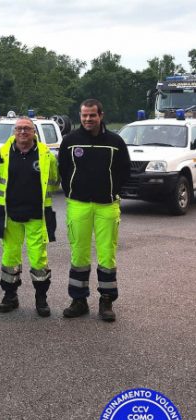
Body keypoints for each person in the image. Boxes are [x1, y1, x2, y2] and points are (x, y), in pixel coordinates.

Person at [57, 99, 130, 322]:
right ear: (80, 116)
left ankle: (106, 300)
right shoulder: (69, 141)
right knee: (79, 254)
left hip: (107, 205)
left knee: (107, 254)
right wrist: (73, 189)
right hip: (78, 205)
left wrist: (113, 191)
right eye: (84, 116)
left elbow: (124, 170)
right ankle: (79, 300)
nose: (88, 119)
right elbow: (63, 169)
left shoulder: (115, 141)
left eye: (92, 115)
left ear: (101, 115)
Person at [0, 116, 59, 317]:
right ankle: (10, 296)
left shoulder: (46, 155)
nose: (22, 132)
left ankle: (41, 298)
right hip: (10, 215)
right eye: (18, 129)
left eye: (27, 129)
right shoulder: (2, 154)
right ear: (14, 132)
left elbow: (54, 182)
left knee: (38, 259)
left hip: (37, 215)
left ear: (34, 132)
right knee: (10, 257)